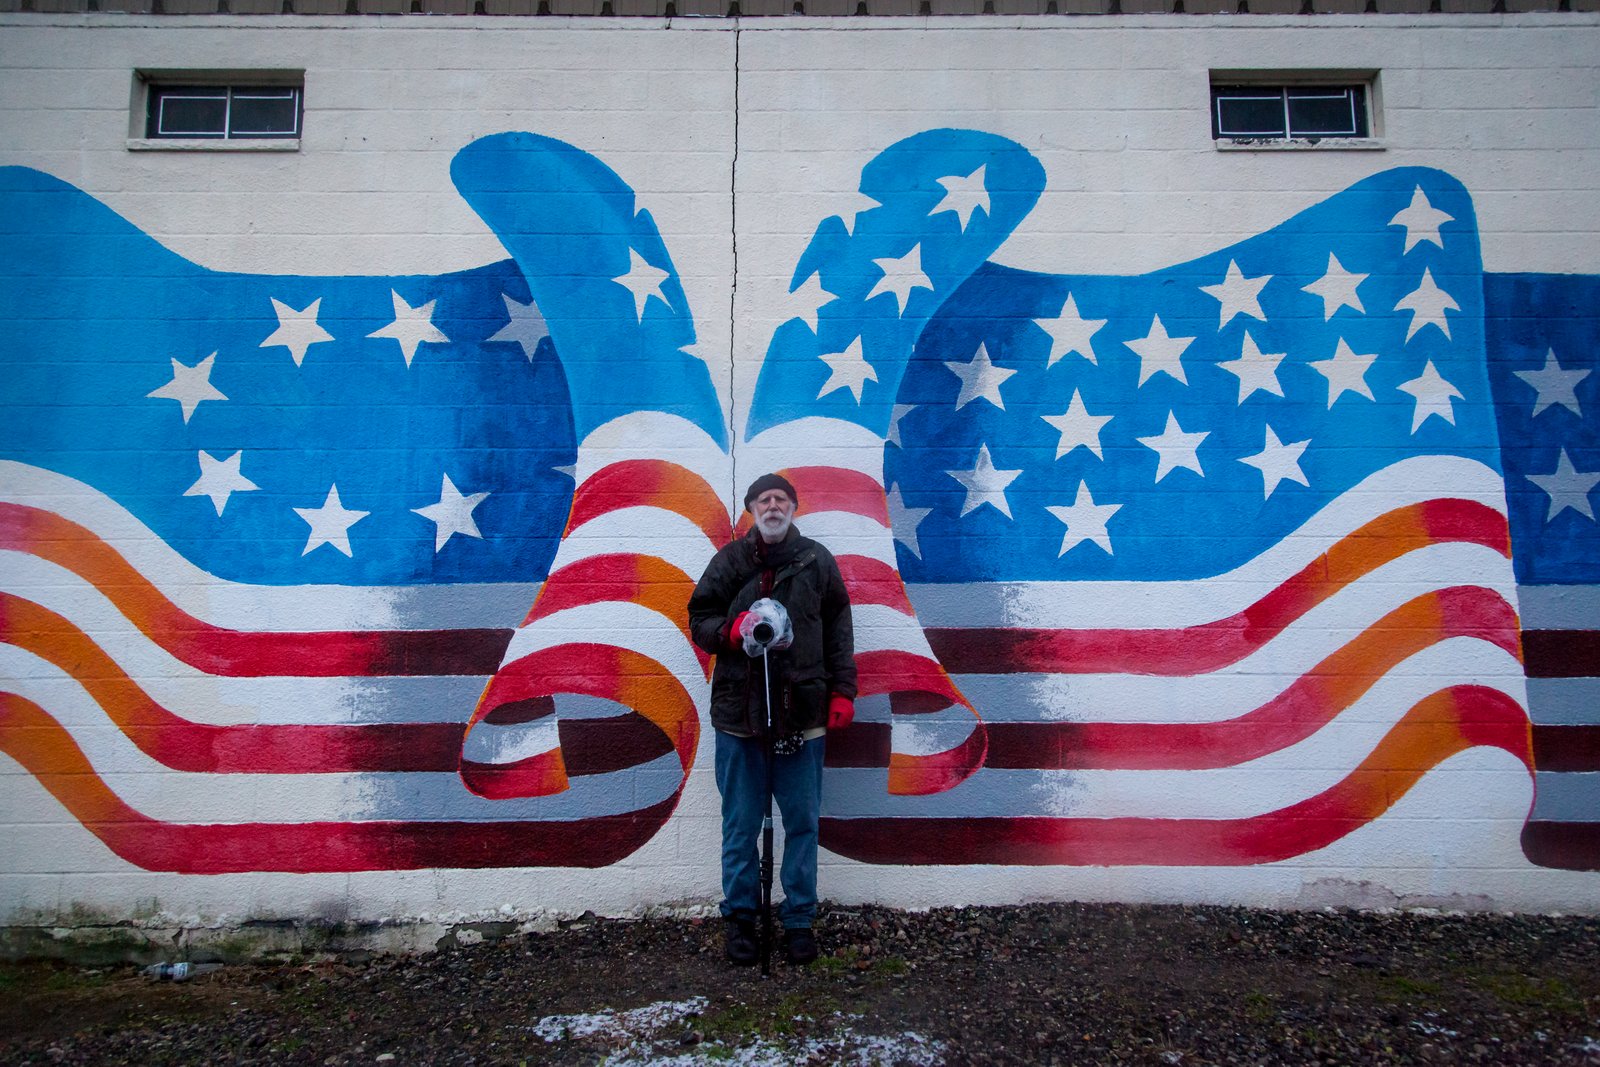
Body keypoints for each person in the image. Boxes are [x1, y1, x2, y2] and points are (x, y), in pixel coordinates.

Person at [688, 473, 857, 966]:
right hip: (739, 716)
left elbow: (838, 629)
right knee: (741, 823)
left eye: (781, 498)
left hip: (803, 715)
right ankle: (740, 919)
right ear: (751, 509)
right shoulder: (731, 562)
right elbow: (699, 617)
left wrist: (842, 690)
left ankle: (799, 920)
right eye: (764, 499)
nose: (773, 505)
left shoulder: (816, 562)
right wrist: (732, 632)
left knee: (802, 821)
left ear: (794, 508)